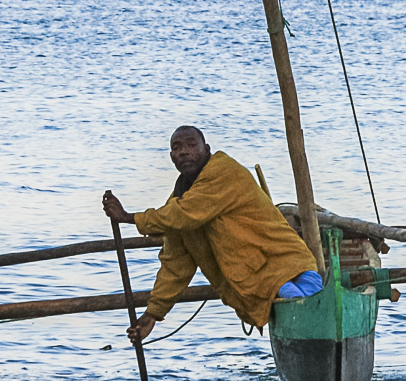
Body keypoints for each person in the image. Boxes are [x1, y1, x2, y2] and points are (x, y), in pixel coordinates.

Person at [102, 126, 323, 343]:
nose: (184, 152)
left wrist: (128, 217)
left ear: (206, 149)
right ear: (171, 157)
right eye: (177, 148)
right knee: (308, 323)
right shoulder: (182, 200)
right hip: (263, 284)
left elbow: (181, 214)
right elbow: (175, 265)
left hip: (290, 268)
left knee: (315, 315)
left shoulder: (223, 171)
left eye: (191, 145)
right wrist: (152, 315)